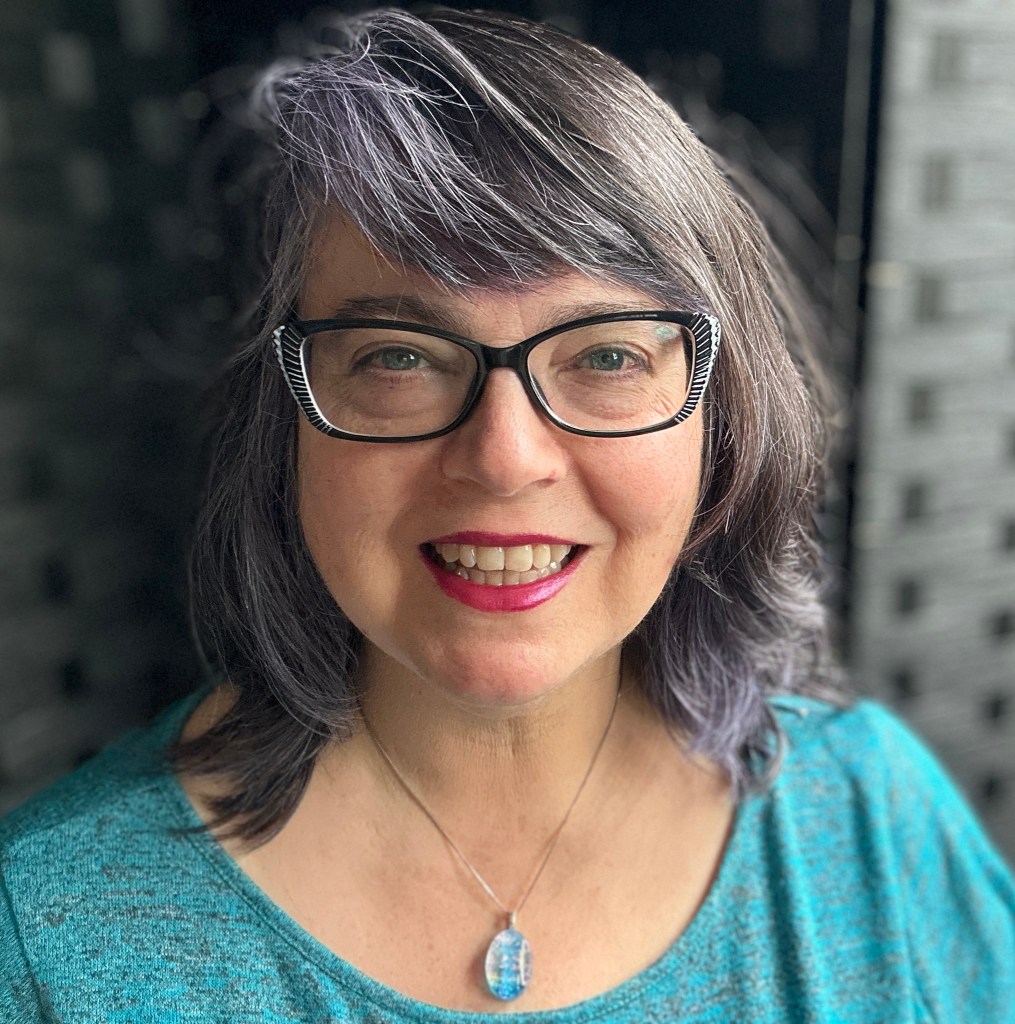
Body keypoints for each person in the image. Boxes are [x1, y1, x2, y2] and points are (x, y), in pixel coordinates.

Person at [2, 8, 1013, 1022]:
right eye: (397, 357)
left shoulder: (872, 815)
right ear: (289, 422)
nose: (503, 459)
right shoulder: (47, 932)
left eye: (607, 356)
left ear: (724, 419)